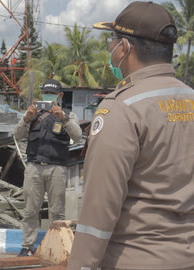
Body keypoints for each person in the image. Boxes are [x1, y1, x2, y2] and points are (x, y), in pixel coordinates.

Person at [67, 2, 194, 270]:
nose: (110, 50)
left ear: (124, 48)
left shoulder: (122, 108)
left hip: (137, 258)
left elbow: (100, 207)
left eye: (111, 42)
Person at [13, 78, 82, 256]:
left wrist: (63, 118)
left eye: (52, 94)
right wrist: (26, 118)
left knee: (57, 212)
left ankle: (59, 246)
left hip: (57, 168)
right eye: (45, 93)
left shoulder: (68, 115)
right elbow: (17, 134)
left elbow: (78, 135)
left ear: (60, 96)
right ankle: (27, 246)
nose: (48, 96)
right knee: (30, 210)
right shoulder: (33, 114)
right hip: (34, 167)